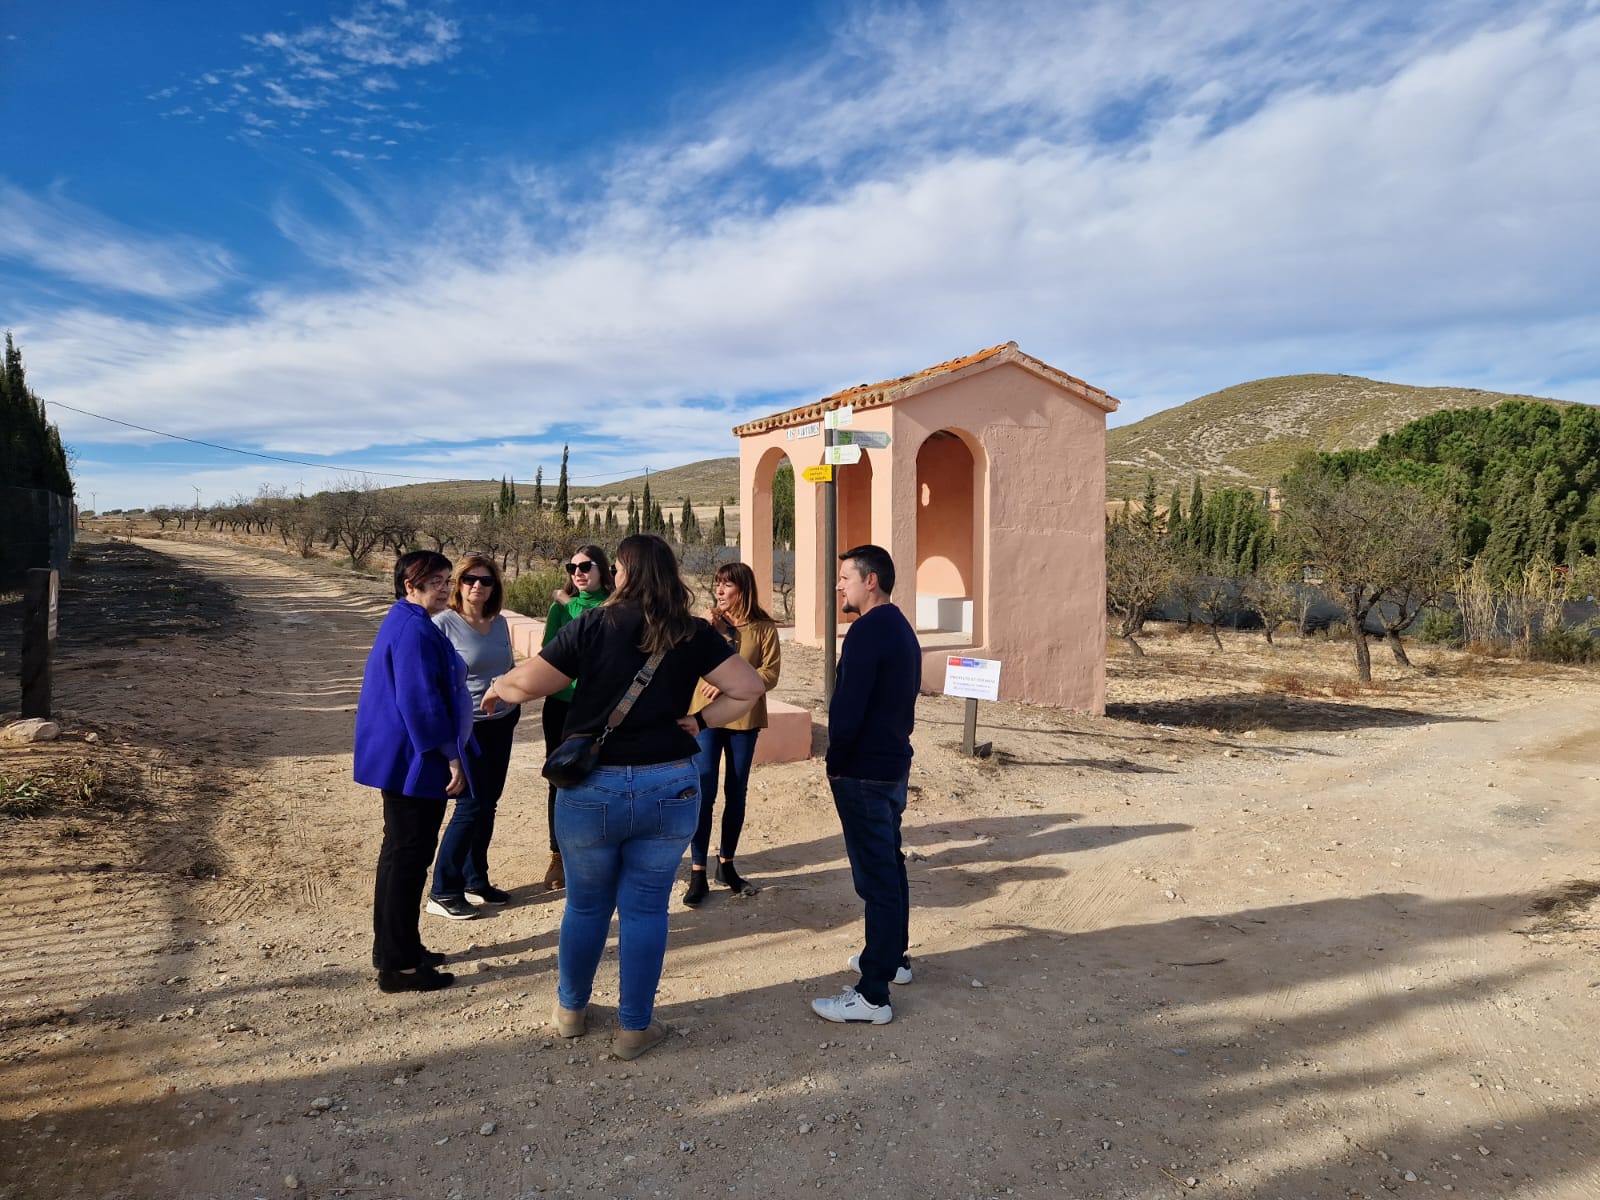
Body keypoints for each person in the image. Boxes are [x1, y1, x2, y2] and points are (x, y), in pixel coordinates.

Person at [483, 534, 763, 1060]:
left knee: (586, 906)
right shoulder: (693, 632)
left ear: (625, 572)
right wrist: (700, 720)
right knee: (645, 910)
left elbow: (527, 685)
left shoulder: (595, 623)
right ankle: (635, 1028)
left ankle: (570, 1011)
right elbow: (748, 689)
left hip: (593, 788)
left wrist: (499, 684)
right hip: (669, 785)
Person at [353, 550, 475, 994]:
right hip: (415, 759)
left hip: (408, 756)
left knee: (401, 856)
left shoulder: (408, 621)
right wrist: (451, 754)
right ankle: (399, 967)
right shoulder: (414, 630)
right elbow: (420, 702)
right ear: (410, 585)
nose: (447, 588)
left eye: (448, 580)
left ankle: (394, 948)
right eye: (437, 582)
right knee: (409, 858)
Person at [811, 544, 921, 1025]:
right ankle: (893, 958)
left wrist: (836, 760)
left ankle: (873, 994)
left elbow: (848, 709)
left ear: (870, 580)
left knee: (876, 877)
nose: (839, 585)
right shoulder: (898, 627)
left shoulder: (867, 631)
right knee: (889, 865)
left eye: (845, 578)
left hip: (864, 772)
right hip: (891, 764)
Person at [425, 554, 519, 921]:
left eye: (486, 580)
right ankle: (443, 890)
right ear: (457, 584)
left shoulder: (499, 624)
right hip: (470, 727)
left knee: (489, 802)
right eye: (469, 580)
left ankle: (475, 879)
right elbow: (433, 682)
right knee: (470, 804)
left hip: (504, 721)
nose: (477, 586)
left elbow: (508, 669)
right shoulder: (443, 624)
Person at [682, 561, 781, 906]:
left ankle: (727, 864)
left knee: (736, 790)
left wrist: (734, 684)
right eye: (717, 584)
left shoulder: (764, 627)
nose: (720, 591)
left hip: (745, 718)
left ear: (743, 589)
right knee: (703, 789)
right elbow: (689, 662)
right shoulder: (705, 623)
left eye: (727, 585)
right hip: (705, 718)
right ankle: (697, 872)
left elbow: (770, 673)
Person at [538, 545, 613, 892]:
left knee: (602, 776)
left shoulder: (614, 607)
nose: (578, 573)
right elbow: (550, 655)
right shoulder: (560, 608)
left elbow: (599, 623)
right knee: (560, 777)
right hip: (562, 705)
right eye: (572, 567)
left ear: (603, 569)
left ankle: (599, 849)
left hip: (600, 707)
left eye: (586, 566)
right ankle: (558, 853)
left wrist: (570, 602)